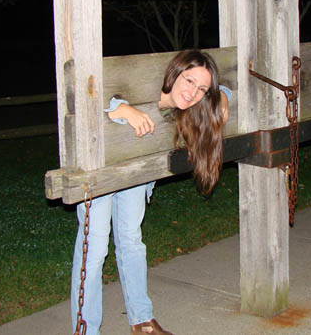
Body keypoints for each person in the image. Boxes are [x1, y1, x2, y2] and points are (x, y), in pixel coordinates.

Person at [71, 50, 231, 335]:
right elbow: (90, 98)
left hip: (135, 173)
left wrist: (224, 96)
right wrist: (122, 109)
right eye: (189, 80)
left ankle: (142, 321)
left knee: (132, 241)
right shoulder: (144, 84)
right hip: (99, 170)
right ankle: (85, 330)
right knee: (94, 251)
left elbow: (229, 83)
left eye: (202, 89)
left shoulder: (190, 108)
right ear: (174, 72)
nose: (193, 92)